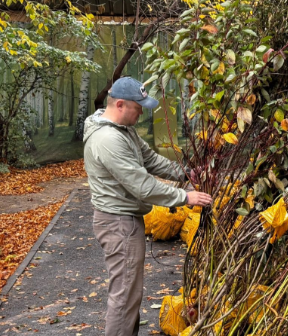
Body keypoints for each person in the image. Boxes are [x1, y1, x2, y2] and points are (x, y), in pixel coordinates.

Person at [83, 77, 212, 336]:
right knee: (124, 298)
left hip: (125, 221)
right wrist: (186, 197)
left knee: (129, 294)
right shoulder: (108, 139)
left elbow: (149, 159)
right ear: (120, 104)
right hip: (119, 225)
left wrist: (185, 172)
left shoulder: (122, 128)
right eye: (138, 106)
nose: (142, 111)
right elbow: (143, 186)